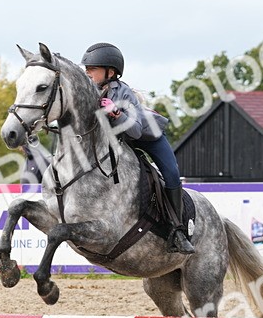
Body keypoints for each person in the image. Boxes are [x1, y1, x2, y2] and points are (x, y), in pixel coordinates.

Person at [81, 42, 194, 254]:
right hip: (121, 141)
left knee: (171, 173)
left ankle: (178, 230)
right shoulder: (89, 91)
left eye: (92, 69)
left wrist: (116, 113)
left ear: (110, 72)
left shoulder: (124, 93)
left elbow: (135, 131)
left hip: (148, 136)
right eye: (86, 69)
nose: (88, 73)